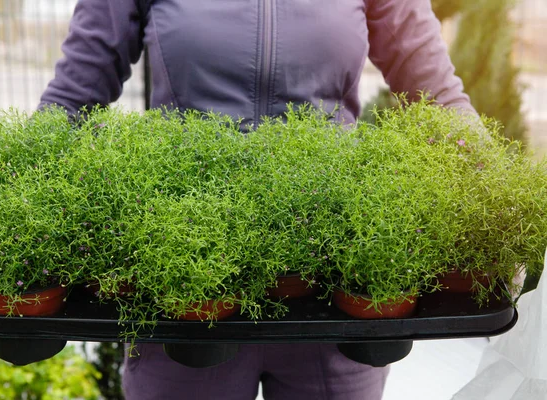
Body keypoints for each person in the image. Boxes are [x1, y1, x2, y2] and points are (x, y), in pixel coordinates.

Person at [38, 1, 476, 399]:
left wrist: (486, 189)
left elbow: (435, 93)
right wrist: (18, 205)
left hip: (328, 277)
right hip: (187, 279)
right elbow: (74, 97)